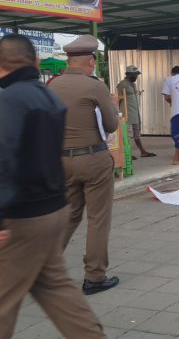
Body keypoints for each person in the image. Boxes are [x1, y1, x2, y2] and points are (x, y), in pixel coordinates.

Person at [0, 34, 105, 337]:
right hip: (53, 211)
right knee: (58, 290)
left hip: (19, 220)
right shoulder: (48, 98)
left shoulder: (6, 101)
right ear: (35, 62)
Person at [49, 35, 120, 295]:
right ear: (90, 61)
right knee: (98, 219)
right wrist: (113, 105)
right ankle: (94, 277)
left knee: (69, 215)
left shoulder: (52, 86)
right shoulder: (95, 86)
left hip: (62, 160)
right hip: (92, 160)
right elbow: (111, 125)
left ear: (69, 60)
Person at [117, 65, 155, 159]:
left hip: (135, 114)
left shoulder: (133, 85)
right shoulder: (122, 85)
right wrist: (118, 114)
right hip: (127, 115)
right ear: (128, 74)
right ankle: (127, 154)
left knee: (136, 135)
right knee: (127, 136)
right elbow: (117, 99)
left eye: (136, 75)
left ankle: (143, 151)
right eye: (134, 75)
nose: (136, 77)